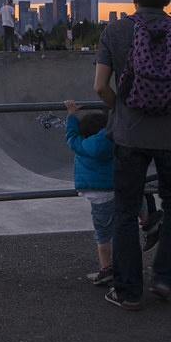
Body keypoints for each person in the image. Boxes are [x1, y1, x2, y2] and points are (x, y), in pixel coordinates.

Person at [93, 0, 171, 310]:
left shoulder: (114, 31)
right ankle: (165, 278)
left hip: (129, 136)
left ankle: (127, 291)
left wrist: (123, 109)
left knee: (126, 211)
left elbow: (100, 87)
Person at [63, 100, 160, 287]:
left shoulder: (81, 145)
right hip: (118, 190)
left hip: (98, 199)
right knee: (137, 199)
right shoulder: (115, 140)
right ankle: (148, 223)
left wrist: (71, 115)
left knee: (103, 236)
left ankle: (106, 269)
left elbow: (70, 135)